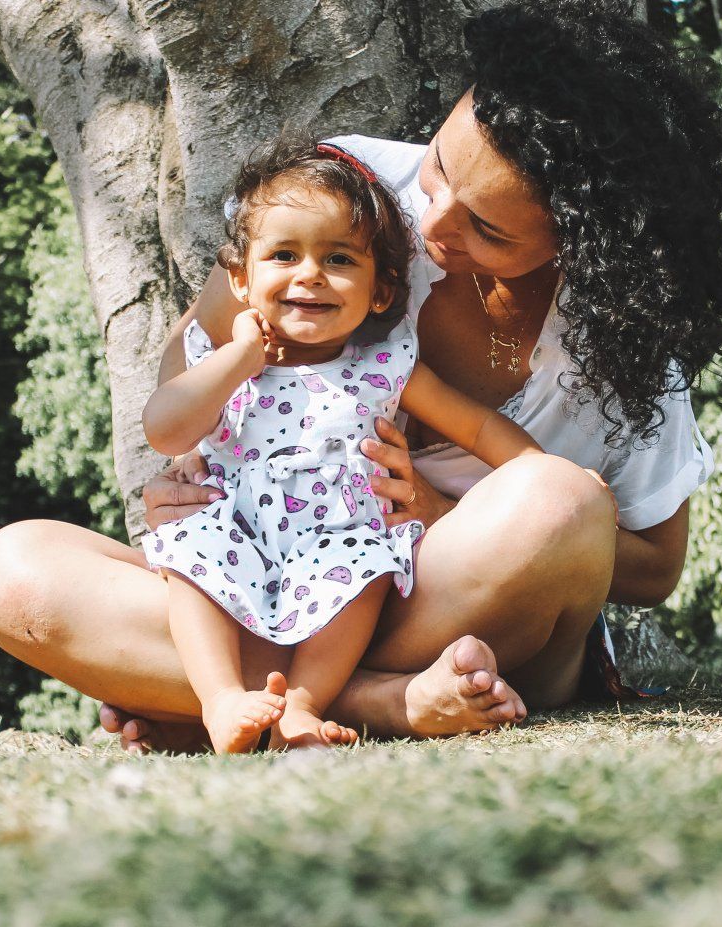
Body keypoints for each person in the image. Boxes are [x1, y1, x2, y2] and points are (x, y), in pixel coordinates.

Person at [0, 0, 722, 753]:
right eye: (441, 167)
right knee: (16, 571)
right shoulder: (341, 198)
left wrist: (441, 512)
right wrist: (190, 458)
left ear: (582, 240)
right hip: (266, 571)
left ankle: (217, 694)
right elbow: (193, 345)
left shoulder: (626, 336)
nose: (431, 223)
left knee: (557, 499)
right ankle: (371, 700)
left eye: (486, 229)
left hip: (450, 599)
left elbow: (653, 566)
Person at [141, 134, 544, 751]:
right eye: (283, 255)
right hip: (234, 532)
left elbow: (480, 426)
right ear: (242, 281)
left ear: (380, 291)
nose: (310, 275)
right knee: (189, 554)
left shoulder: (385, 366)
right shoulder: (222, 360)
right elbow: (165, 428)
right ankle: (220, 699)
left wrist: (534, 474)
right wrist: (241, 356)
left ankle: (303, 704)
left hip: (337, 542)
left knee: (367, 566)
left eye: (339, 260)